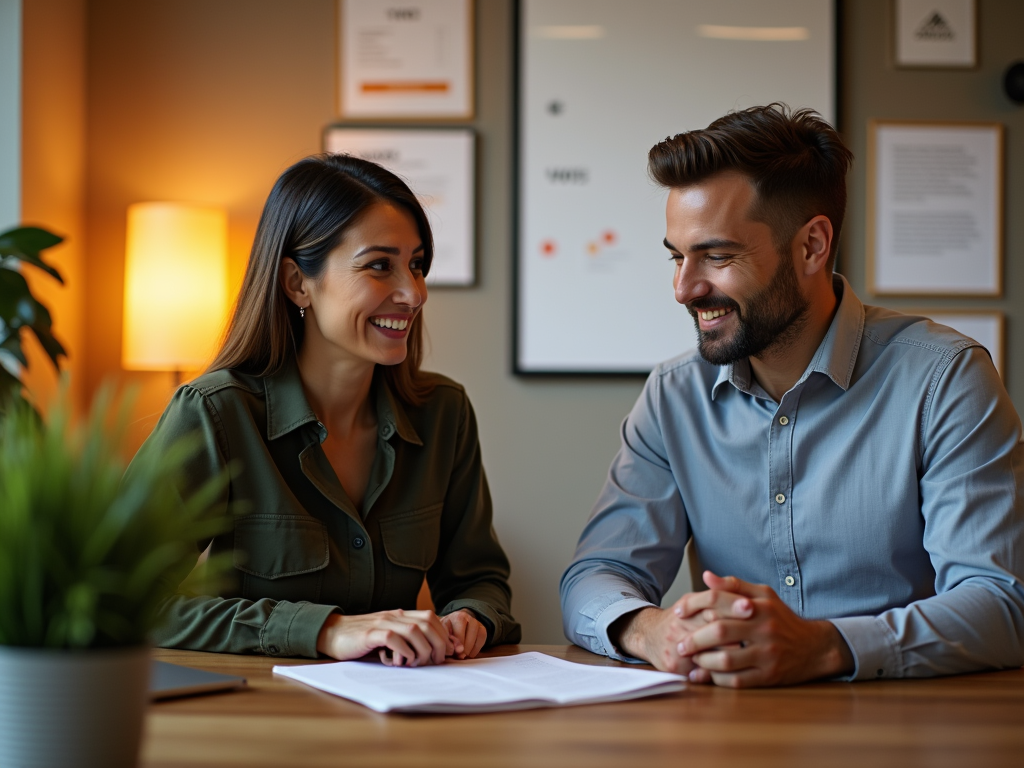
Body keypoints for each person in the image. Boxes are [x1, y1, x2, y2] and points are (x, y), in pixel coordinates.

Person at [560, 104, 1024, 687]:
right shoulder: (672, 397)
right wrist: (652, 630)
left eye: (718, 256)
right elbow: (596, 576)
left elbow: (1003, 603)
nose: (684, 288)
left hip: (904, 724)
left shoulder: (945, 379)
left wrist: (826, 646)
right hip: (731, 728)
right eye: (677, 256)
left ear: (812, 246)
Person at [139, 154, 520, 666]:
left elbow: (479, 579)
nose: (414, 293)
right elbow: (122, 599)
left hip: (402, 717)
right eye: (380, 265)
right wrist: (325, 631)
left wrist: (472, 617)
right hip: (259, 719)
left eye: (417, 264)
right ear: (298, 282)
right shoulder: (215, 414)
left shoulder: (445, 413)